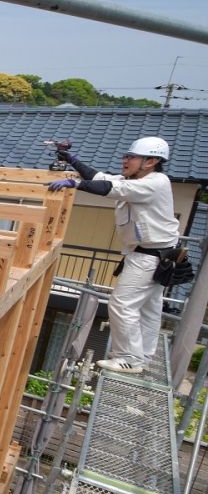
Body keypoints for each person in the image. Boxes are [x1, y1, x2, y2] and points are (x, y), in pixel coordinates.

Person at [48, 137, 180, 374]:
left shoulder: (154, 183)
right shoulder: (134, 179)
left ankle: (129, 358)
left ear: (150, 161)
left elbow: (111, 189)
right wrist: (73, 160)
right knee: (149, 308)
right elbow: (101, 178)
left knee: (121, 303)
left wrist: (74, 183)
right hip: (157, 254)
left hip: (149, 256)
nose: (125, 160)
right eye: (126, 156)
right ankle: (144, 355)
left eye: (131, 157)